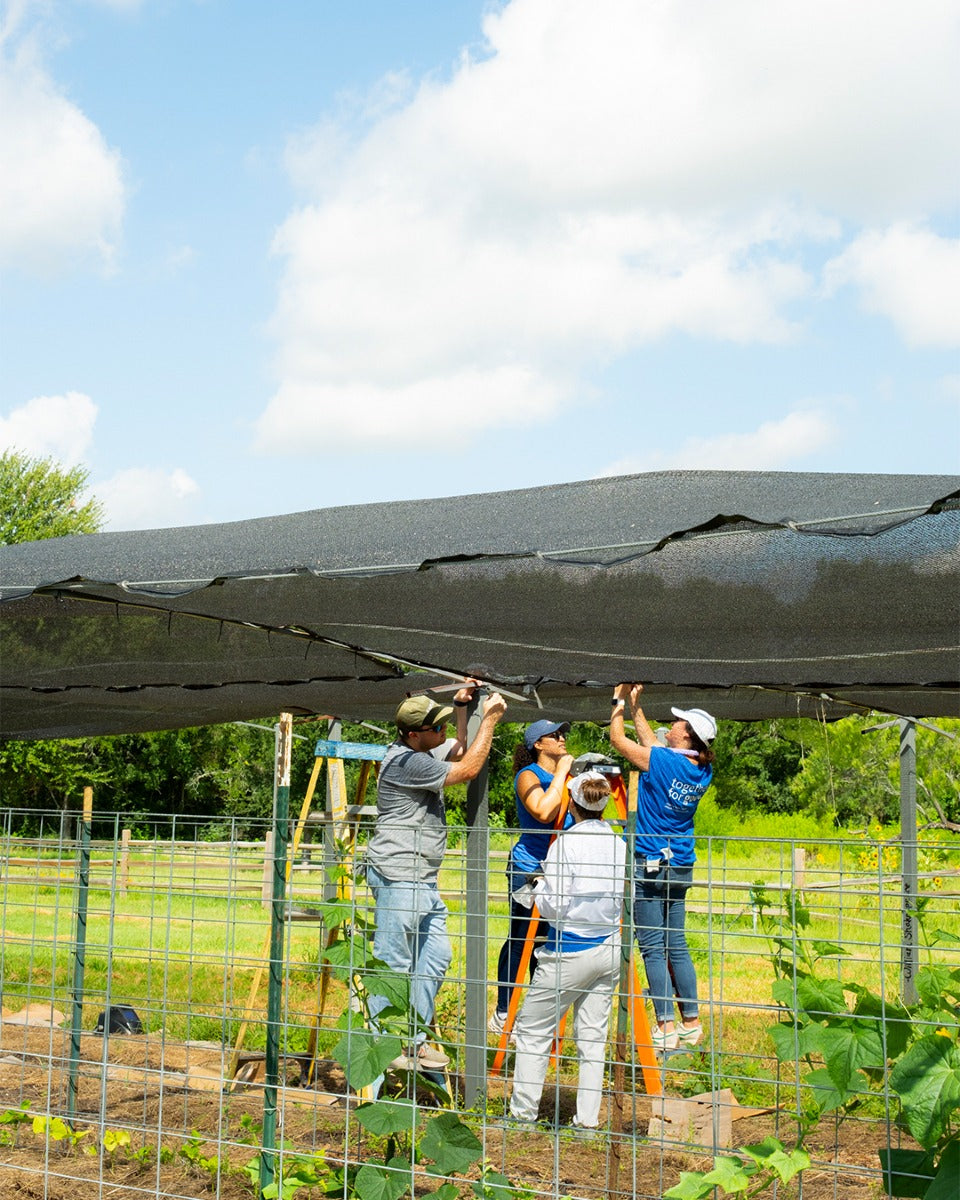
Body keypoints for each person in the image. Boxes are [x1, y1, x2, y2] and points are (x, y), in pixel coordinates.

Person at [365, 681, 507, 1070]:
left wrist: (462, 711)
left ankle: (412, 1038)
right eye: (437, 728)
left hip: (421, 877)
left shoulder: (420, 750)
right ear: (414, 734)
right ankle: (384, 1046)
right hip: (399, 873)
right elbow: (468, 767)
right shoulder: (405, 762)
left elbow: (459, 749)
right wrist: (490, 719)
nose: (443, 733)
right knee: (392, 961)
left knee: (437, 956)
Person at [509, 771, 627, 1129]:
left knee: (533, 1031)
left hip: (568, 951)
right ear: (604, 806)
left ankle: (523, 1117)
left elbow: (554, 906)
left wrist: (539, 889)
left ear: (572, 803)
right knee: (592, 1039)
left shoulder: (565, 844)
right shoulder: (620, 844)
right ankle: (587, 1123)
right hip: (608, 945)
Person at [609, 682, 716, 1051]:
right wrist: (638, 709)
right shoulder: (700, 768)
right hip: (681, 864)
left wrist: (618, 702)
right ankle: (691, 1020)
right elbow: (654, 748)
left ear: (687, 736)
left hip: (650, 864)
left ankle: (664, 1025)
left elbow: (619, 741)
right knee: (677, 944)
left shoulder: (666, 760)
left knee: (653, 948)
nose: (669, 727)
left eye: (676, 725)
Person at [489, 718, 574, 1037]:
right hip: (529, 870)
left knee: (549, 943)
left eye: (563, 734)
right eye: (555, 735)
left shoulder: (565, 777)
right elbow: (542, 811)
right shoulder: (529, 776)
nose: (562, 739)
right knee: (522, 936)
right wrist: (563, 773)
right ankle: (503, 1011)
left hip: (559, 871)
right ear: (538, 744)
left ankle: (538, 1016)